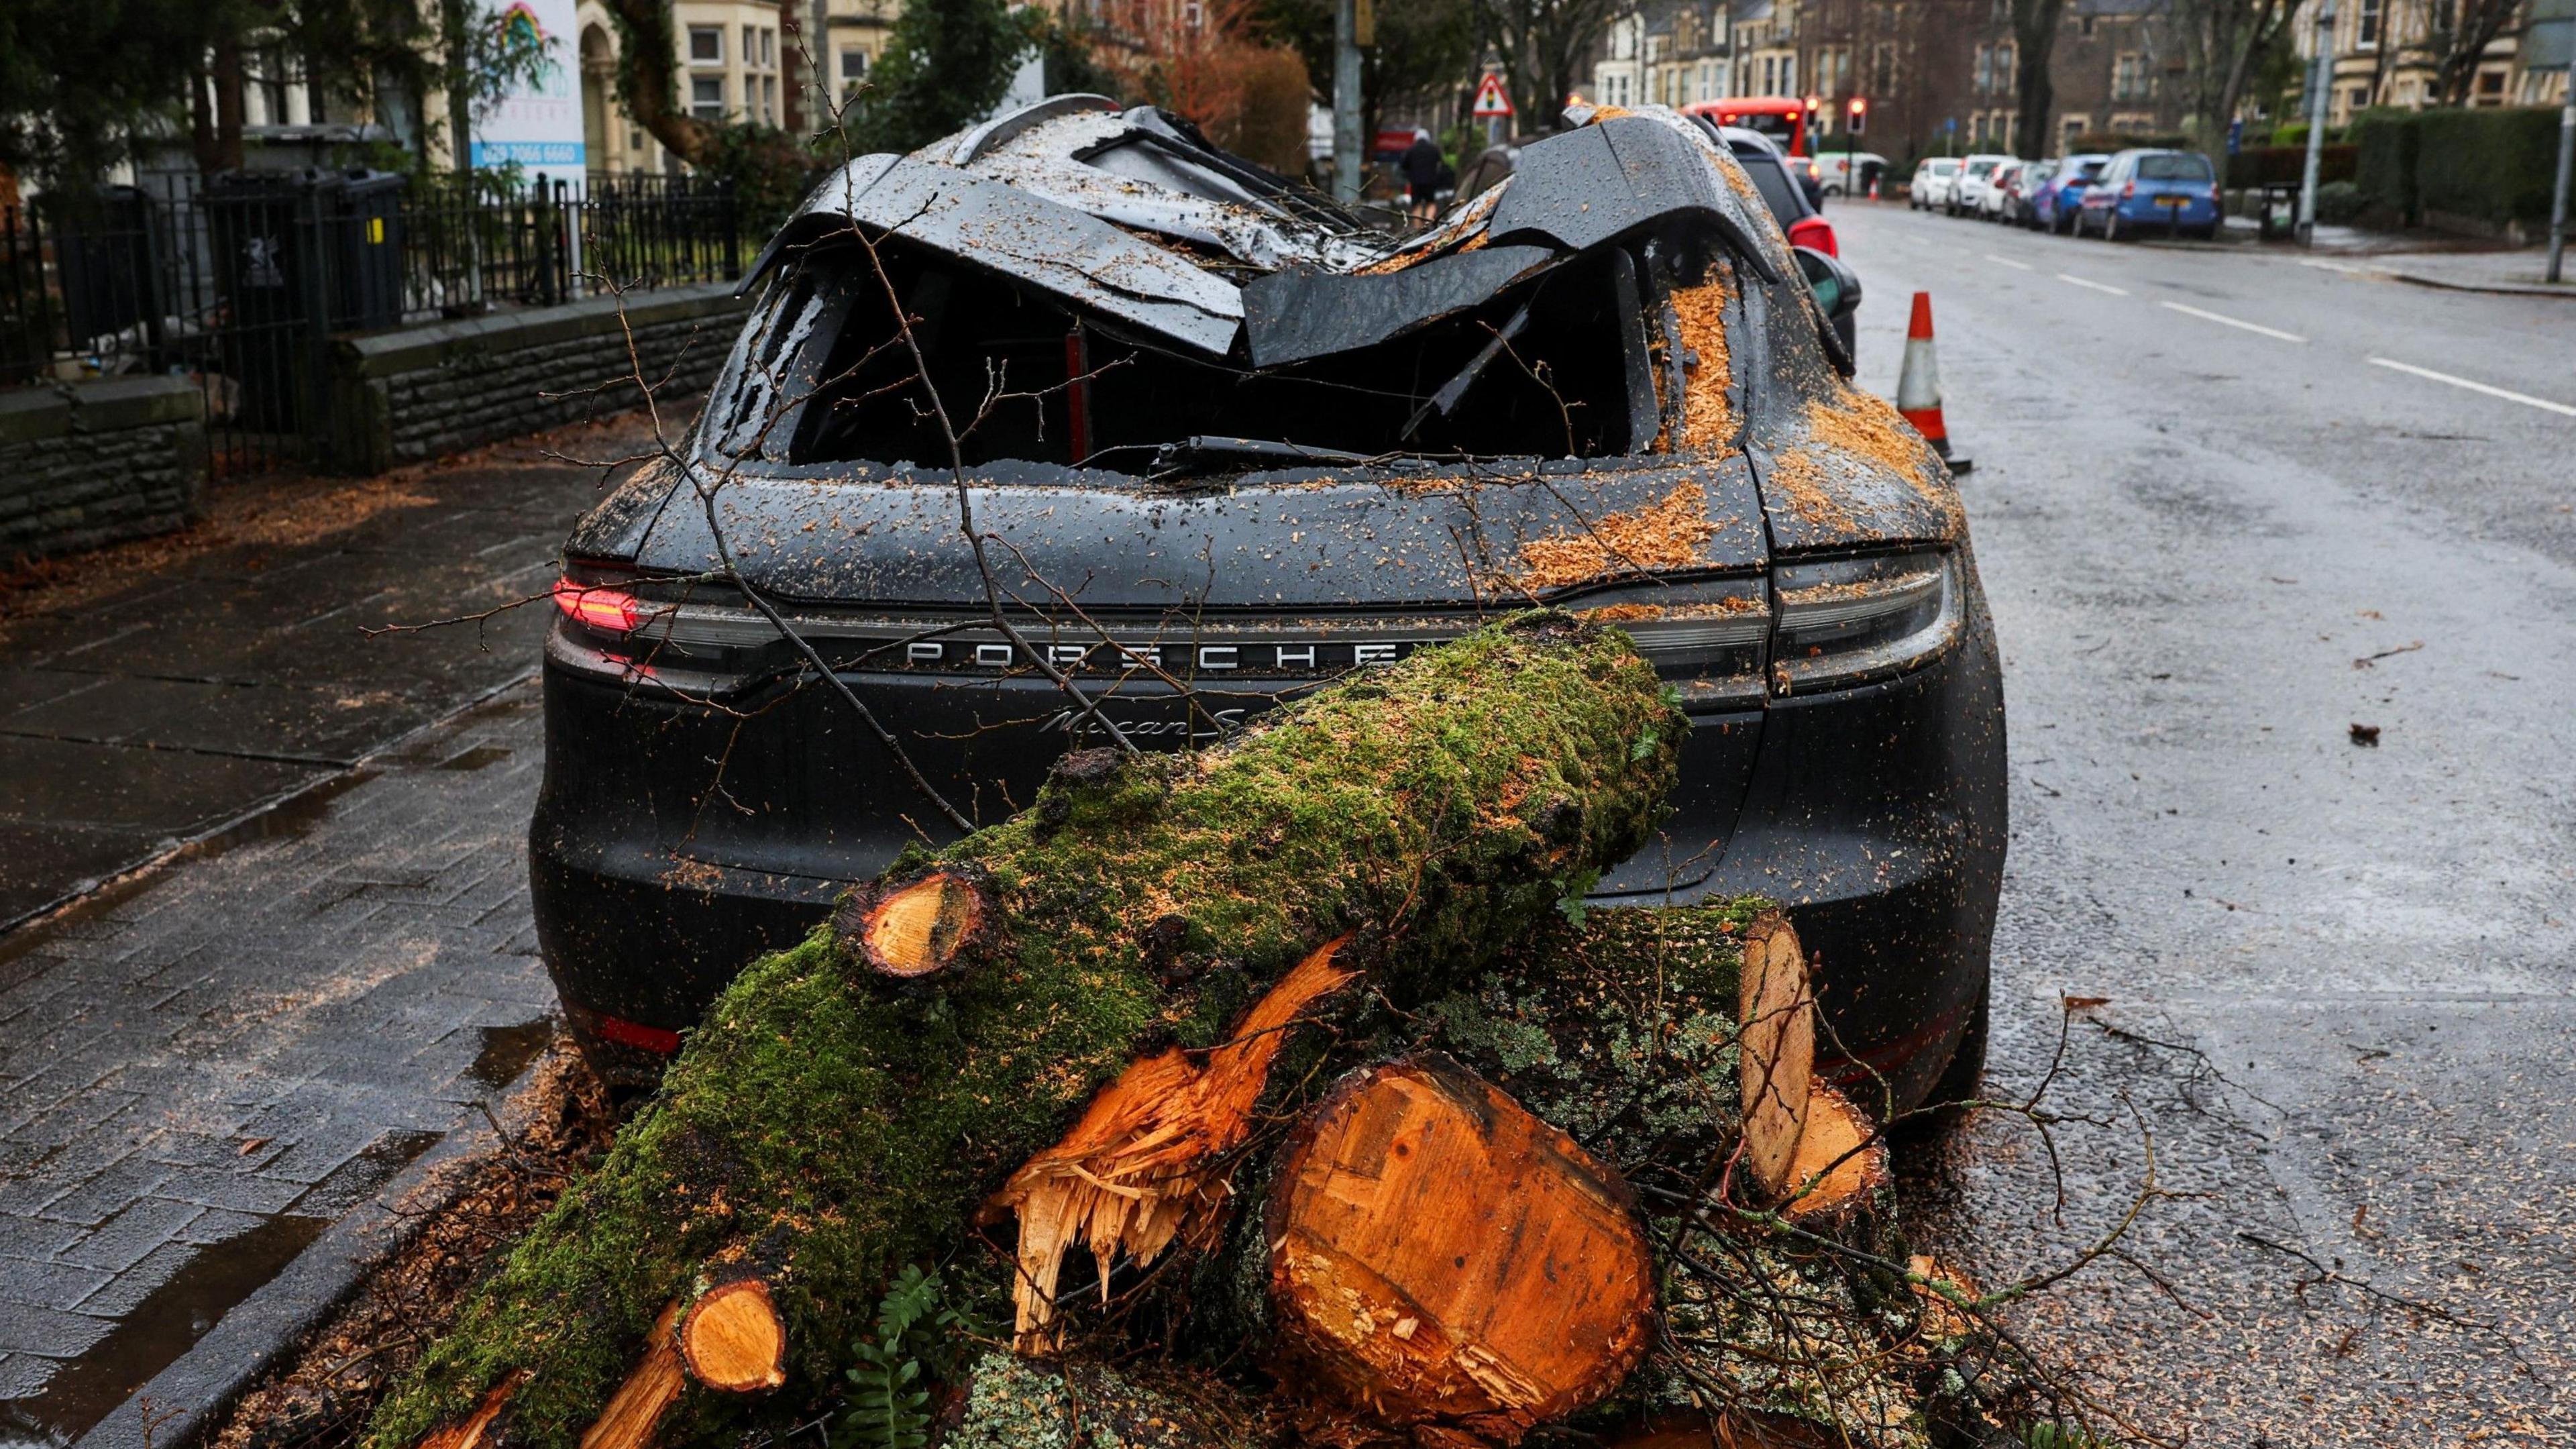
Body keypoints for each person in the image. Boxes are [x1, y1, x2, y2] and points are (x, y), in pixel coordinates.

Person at [1401, 129, 1444, 221]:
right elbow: (1440, 164)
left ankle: (1419, 230)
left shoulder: (1411, 150)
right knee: (1431, 203)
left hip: (1416, 182)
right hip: (1430, 181)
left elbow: (1404, 166)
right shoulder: (1434, 149)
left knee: (1417, 205)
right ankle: (1428, 221)